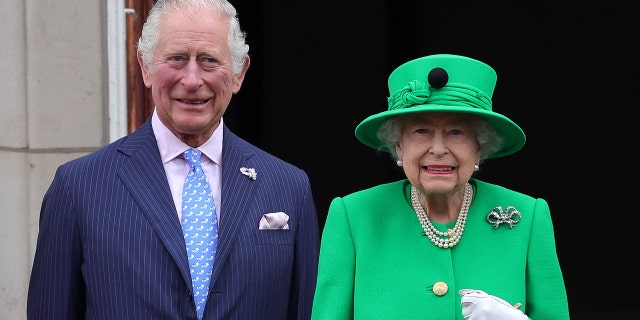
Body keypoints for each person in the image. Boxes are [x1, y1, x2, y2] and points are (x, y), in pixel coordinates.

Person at [27, 0, 320, 319]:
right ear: (145, 67)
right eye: (177, 59)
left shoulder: (289, 188)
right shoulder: (78, 187)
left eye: (209, 60)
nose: (192, 80)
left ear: (239, 74)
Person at [311, 54, 569, 319]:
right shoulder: (354, 216)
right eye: (420, 131)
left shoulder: (528, 216)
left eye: (456, 133)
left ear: (479, 146)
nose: (437, 149)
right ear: (398, 145)